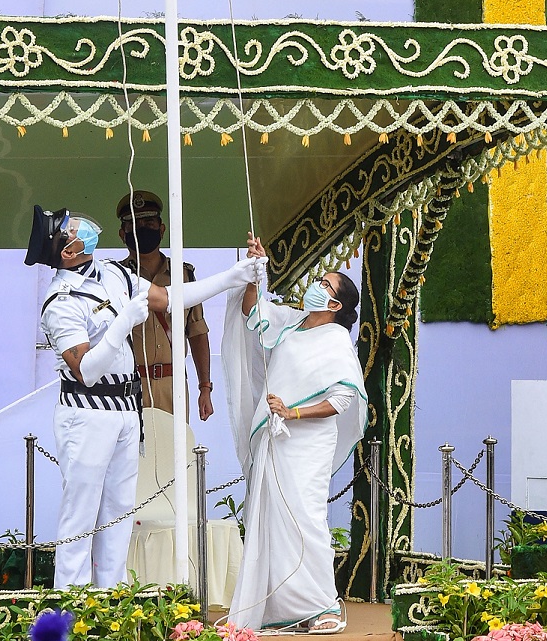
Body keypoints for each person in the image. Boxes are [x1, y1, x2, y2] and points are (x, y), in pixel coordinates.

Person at [25, 205, 265, 590]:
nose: (79, 226)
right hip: (88, 412)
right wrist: (122, 324)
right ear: (67, 251)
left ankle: (110, 596)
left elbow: (170, 297)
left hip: (125, 408)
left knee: (119, 513)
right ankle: (70, 600)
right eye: (70, 228)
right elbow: (86, 370)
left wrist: (233, 276)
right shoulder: (62, 300)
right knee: (80, 517)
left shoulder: (112, 272)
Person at [222, 235, 368, 633]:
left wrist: (293, 411)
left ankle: (323, 606)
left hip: (308, 441)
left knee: (305, 517)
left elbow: (342, 398)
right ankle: (282, 609)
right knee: (272, 518)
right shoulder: (292, 323)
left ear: (335, 306)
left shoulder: (336, 341)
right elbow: (254, 311)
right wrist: (256, 270)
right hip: (277, 438)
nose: (315, 287)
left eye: (325, 285)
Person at [116, 190, 213, 421]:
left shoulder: (183, 276)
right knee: (131, 455)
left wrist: (205, 388)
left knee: (175, 454)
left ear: (162, 229)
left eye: (149, 223)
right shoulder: (116, 277)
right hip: (129, 384)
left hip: (173, 384)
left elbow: (197, 332)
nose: (142, 229)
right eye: (134, 225)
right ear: (122, 234)